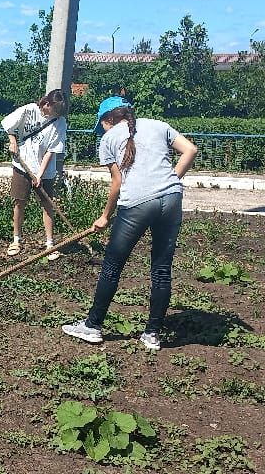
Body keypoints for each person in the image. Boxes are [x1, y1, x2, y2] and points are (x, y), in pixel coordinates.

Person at [62, 96, 198, 350]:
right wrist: (169, 181)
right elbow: (190, 149)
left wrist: (104, 216)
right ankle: (152, 335)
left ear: (110, 119)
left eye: (101, 124)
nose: (101, 129)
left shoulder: (108, 139)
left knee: (112, 265)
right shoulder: (158, 125)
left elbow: (117, 184)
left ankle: (92, 326)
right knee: (161, 268)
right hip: (171, 199)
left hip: (136, 205)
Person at [1, 88, 69, 260]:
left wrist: (40, 174)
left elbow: (51, 151)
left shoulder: (60, 122)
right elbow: (9, 124)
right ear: (47, 103)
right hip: (22, 165)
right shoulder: (29, 110)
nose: (56, 115)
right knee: (19, 202)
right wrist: (13, 140)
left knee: (47, 205)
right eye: (54, 110)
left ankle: (50, 245)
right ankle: (16, 240)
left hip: (44, 171)